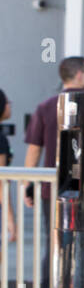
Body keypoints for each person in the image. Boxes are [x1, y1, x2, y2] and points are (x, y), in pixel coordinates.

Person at [24, 56, 84, 287]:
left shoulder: (45, 106)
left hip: (51, 186)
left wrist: (27, 184)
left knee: (54, 240)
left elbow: (34, 150)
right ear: (80, 74)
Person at [0, 89, 15, 242]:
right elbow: (0, 181)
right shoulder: (1, 139)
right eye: (8, 102)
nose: (10, 105)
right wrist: (10, 218)